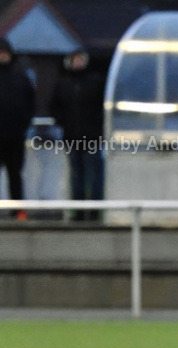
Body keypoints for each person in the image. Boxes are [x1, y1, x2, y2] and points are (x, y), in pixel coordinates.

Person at [50, 49, 106, 221]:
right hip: (72, 137)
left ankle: (94, 212)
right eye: (75, 60)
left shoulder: (95, 82)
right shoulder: (63, 84)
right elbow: (54, 107)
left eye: (80, 60)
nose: (78, 63)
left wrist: (97, 125)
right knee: (77, 175)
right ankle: (79, 211)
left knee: (93, 175)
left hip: (92, 137)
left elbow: (102, 107)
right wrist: (63, 121)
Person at [0, 38, 35, 220]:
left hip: (15, 135)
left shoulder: (21, 77)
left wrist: (24, 123)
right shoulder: (21, 76)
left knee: (15, 174)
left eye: (5, 52)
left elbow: (31, 102)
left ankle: (18, 210)